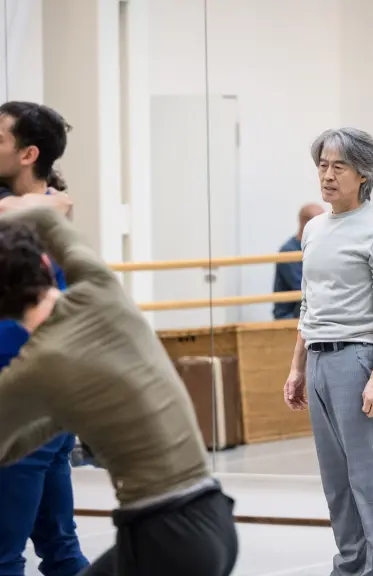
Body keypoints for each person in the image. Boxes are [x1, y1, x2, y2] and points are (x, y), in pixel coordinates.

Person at [0, 205, 238, 576]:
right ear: (47, 268)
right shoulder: (101, 288)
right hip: (211, 517)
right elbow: (48, 218)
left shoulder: (34, 365)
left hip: (165, 537)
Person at [284, 127, 373, 576]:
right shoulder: (314, 229)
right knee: (336, 483)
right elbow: (308, 302)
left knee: (368, 481)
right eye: (322, 165)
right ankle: (350, 566)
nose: (327, 175)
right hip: (317, 358)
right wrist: (296, 368)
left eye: (339, 167)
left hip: (356, 359)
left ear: (364, 175)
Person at [0, 101, 89, 576]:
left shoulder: (42, 217)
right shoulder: (51, 208)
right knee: (61, 549)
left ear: (29, 154)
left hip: (29, 406)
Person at [272, 203, 324, 319]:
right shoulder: (289, 251)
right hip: (290, 315)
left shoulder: (317, 248)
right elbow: (302, 287)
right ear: (305, 223)